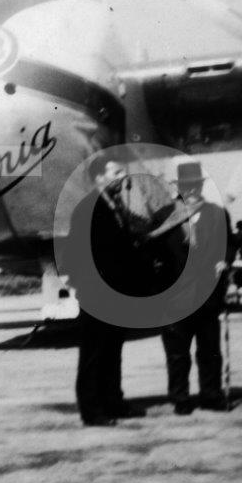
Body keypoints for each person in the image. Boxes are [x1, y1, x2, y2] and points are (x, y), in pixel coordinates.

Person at [64, 154, 152, 426]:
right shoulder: (88, 209)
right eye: (116, 173)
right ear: (99, 178)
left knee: (112, 350)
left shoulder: (114, 206)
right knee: (94, 353)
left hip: (115, 294)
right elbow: (77, 254)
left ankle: (113, 402)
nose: (122, 177)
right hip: (97, 295)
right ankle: (91, 411)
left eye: (122, 172)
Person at [159, 161, 236, 415]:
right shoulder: (165, 215)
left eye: (195, 185)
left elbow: (229, 244)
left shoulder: (217, 213)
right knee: (177, 354)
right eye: (186, 186)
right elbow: (154, 254)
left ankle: (211, 395)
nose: (191, 190)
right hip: (174, 298)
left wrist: (225, 260)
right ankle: (180, 398)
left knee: (210, 351)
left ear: (201, 186)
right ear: (179, 188)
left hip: (208, 295)